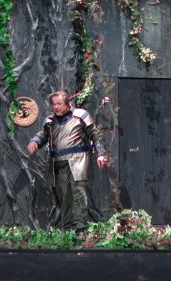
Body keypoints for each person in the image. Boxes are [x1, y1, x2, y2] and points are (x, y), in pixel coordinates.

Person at [26, 91, 109, 234]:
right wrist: (35, 141)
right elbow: (43, 135)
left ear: (68, 104)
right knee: (63, 197)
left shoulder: (81, 116)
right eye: (54, 104)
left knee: (78, 193)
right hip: (58, 163)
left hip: (78, 161)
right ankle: (68, 230)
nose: (56, 107)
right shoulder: (50, 121)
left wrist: (101, 154)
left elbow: (95, 135)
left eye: (59, 104)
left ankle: (81, 228)